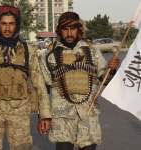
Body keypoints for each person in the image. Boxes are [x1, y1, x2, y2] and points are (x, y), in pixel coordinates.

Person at [0, 5, 51, 150]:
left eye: (11, 24)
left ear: (17, 25)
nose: (7, 28)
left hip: (19, 109)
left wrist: (44, 115)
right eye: (3, 24)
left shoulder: (29, 50)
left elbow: (39, 84)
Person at [37, 12, 119, 150]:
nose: (69, 33)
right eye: (65, 29)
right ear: (59, 31)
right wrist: (44, 116)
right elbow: (43, 89)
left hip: (88, 116)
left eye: (73, 28)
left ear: (79, 29)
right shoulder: (49, 56)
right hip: (62, 119)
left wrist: (111, 70)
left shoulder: (92, 52)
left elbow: (104, 80)